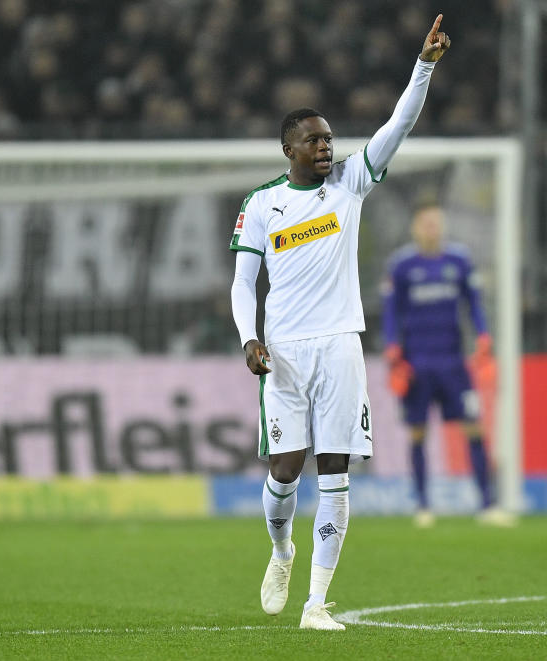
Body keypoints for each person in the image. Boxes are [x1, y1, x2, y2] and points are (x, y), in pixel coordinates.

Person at [229, 15, 451, 631]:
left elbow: (398, 124)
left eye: (329, 138)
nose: (327, 147)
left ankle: (317, 603)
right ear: (289, 149)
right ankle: (280, 553)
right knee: (285, 469)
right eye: (315, 140)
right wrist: (250, 338)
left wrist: (424, 65)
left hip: (341, 347)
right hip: (286, 353)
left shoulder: (351, 183)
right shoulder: (262, 204)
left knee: (336, 472)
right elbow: (244, 283)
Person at [381, 201, 515, 528]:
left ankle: (488, 504)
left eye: (436, 223)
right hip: (417, 364)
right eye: (426, 223)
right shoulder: (401, 266)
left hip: (453, 363)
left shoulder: (459, 261)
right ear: (416, 228)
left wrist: (483, 335)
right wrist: (391, 348)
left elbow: (474, 304)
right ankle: (423, 506)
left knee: (474, 426)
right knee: (417, 432)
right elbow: (390, 313)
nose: (431, 229)